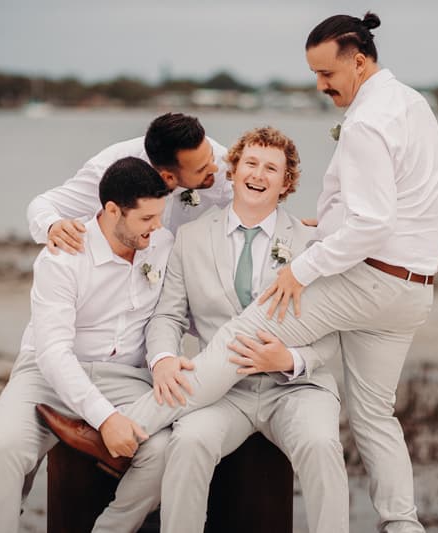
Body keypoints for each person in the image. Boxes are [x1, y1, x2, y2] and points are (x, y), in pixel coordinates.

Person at [43, 11, 438, 533]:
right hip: (413, 287)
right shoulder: (414, 105)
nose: (320, 85)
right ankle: (403, 524)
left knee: (239, 336)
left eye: (326, 73)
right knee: (374, 416)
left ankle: (122, 429)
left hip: (369, 276)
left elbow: (372, 222)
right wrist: (329, 227)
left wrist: (304, 267)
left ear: (360, 63)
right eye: (315, 74)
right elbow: (397, 204)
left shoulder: (366, 122)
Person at [142, 127, 347, 532]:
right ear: (232, 171)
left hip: (295, 388)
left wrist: (290, 358)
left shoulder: (312, 244)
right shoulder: (190, 238)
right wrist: (163, 360)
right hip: (222, 393)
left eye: (272, 168)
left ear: (286, 183)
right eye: (250, 163)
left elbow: (333, 331)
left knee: (322, 445)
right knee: (188, 442)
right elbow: (167, 316)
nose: (258, 174)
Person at [0, 157, 176, 533]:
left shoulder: (161, 244)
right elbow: (53, 353)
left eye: (159, 216)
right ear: (112, 211)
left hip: (126, 376)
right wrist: (106, 418)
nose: (157, 226)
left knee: (164, 451)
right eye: (146, 218)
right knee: (3, 450)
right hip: (47, 375)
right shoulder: (62, 257)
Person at [27, 112, 231, 253]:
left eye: (211, 157)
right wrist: (52, 225)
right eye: (201, 170)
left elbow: (249, 211)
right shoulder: (107, 170)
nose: (214, 168)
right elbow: (44, 204)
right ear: (168, 177)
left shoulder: (211, 158)